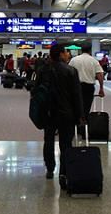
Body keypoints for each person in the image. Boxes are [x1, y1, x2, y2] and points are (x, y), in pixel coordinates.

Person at [37, 44, 83, 187]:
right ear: (61, 54)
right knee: (66, 143)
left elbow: (36, 90)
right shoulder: (71, 71)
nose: (68, 55)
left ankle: (50, 169)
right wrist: (80, 114)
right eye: (66, 52)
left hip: (48, 112)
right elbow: (76, 95)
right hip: (66, 113)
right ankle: (64, 172)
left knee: (49, 140)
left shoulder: (43, 70)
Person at [69, 44, 105, 134]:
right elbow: (100, 75)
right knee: (86, 107)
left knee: (75, 106)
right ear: (89, 51)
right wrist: (101, 88)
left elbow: (68, 72)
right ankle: (83, 128)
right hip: (88, 87)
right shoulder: (94, 60)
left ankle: (75, 127)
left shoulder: (74, 60)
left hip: (75, 87)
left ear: (81, 50)